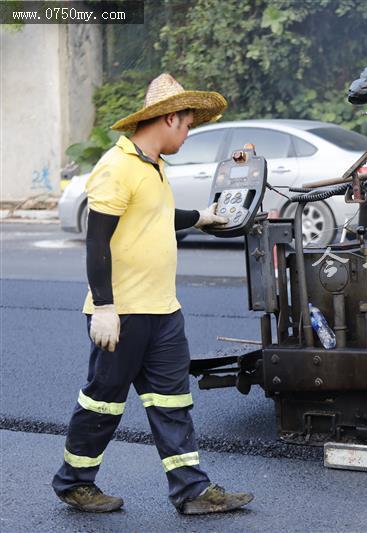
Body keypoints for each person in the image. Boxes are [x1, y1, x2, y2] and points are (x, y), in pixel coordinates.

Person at [52, 73, 254, 515]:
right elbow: (96, 240)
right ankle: (74, 482)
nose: (187, 134)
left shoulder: (154, 165)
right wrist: (104, 307)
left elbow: (158, 215)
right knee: (102, 403)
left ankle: (191, 491)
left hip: (163, 310)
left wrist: (202, 217)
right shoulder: (117, 166)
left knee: (172, 402)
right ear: (168, 117)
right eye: (186, 125)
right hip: (121, 313)